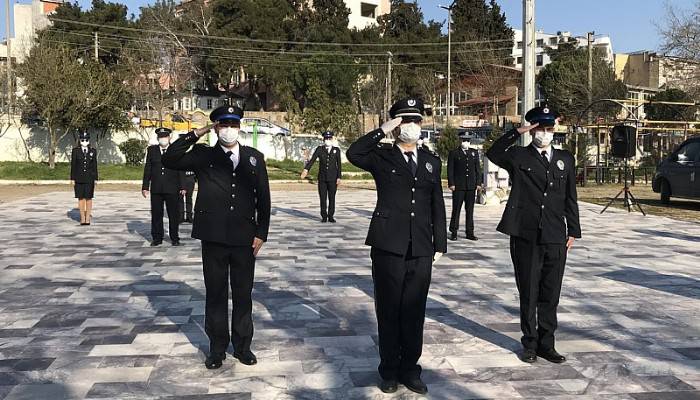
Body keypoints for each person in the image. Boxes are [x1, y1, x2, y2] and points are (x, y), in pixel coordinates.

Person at [347, 98, 447, 395]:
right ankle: (389, 369)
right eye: (405, 120)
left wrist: (439, 242)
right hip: (388, 243)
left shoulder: (431, 161)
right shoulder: (382, 156)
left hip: (420, 247)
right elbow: (354, 152)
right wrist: (382, 130)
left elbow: (436, 205)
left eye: (416, 120)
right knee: (389, 309)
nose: (412, 126)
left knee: (415, 310)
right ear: (395, 124)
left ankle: (410, 369)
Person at [162, 105, 271, 370]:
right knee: (216, 294)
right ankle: (217, 348)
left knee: (243, 293)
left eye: (233, 125)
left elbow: (264, 198)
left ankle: (243, 346)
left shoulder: (254, 157)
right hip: (213, 237)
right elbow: (170, 159)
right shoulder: (203, 155)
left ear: (239, 128)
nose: (229, 130)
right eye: (223, 125)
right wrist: (197, 133)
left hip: (245, 238)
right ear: (216, 128)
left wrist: (261, 233)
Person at [485, 105, 581, 364]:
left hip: (554, 234)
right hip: (525, 233)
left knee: (551, 293)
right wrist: (519, 130)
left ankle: (547, 344)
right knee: (528, 292)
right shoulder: (518, 156)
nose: (545, 134)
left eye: (549, 129)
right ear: (532, 130)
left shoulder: (565, 158)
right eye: (541, 128)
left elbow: (570, 197)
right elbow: (492, 151)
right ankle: (529, 343)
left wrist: (573, 230)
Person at [142, 127, 182, 246]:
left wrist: (183, 186)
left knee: (173, 214)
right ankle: (157, 237)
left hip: (172, 187)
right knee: (156, 213)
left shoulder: (175, 150)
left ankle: (174, 237)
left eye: (165, 137)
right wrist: (145, 186)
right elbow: (148, 168)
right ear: (158, 138)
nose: (163, 139)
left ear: (169, 137)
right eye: (161, 137)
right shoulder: (152, 150)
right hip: (157, 187)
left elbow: (180, 168)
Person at [300, 131, 342, 223]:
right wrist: (306, 169)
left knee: (332, 197)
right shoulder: (320, 149)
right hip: (322, 178)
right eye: (326, 139)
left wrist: (339, 177)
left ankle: (331, 216)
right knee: (322, 198)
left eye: (329, 138)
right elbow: (312, 160)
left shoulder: (336, 150)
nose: (327, 140)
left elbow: (339, 165)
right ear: (323, 140)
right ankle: (324, 216)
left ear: (332, 139)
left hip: (333, 178)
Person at [447, 132, 482, 241]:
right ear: (460, 140)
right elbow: (450, 169)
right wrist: (451, 183)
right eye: (463, 140)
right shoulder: (454, 153)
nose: (465, 142)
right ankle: (453, 231)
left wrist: (478, 183)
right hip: (458, 186)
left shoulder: (474, 152)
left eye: (467, 140)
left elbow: (478, 169)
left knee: (470, 210)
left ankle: (469, 232)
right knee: (456, 209)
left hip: (471, 186)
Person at [70, 132, 98, 225]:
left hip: (90, 178)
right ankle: (82, 218)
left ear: (89, 140)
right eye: (82, 140)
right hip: (79, 178)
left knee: (89, 198)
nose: (84, 141)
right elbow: (73, 165)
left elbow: (94, 165)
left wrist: (96, 178)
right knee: (81, 198)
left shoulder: (93, 151)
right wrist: (72, 178)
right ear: (80, 140)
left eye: (86, 140)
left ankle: (88, 218)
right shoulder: (76, 151)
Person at [178, 133, 197, 223]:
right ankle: (181, 216)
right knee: (180, 198)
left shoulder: (192, 154)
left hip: (190, 178)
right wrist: (182, 185)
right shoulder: (179, 154)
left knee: (189, 198)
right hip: (182, 179)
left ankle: (189, 216)